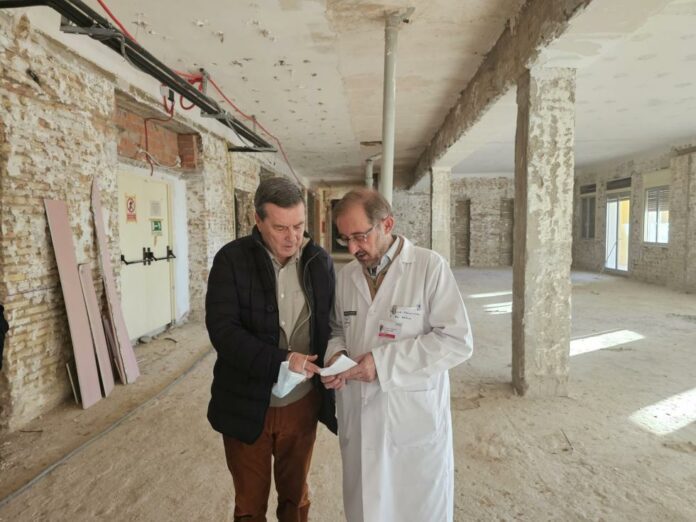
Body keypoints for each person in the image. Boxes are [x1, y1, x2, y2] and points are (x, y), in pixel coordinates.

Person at [321, 188, 473, 522]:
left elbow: (456, 340)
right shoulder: (346, 276)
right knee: (365, 508)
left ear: (387, 224)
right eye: (345, 239)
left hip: (411, 419)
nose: (352, 249)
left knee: (414, 509)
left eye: (360, 236)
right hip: (359, 412)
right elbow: (336, 328)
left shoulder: (429, 267)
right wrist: (336, 354)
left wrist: (381, 363)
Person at [206, 177, 337, 522]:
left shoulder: (318, 261)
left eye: (298, 226)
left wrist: (337, 358)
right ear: (258, 220)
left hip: (301, 403)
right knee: (249, 506)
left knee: (296, 498)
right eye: (280, 228)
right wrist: (283, 359)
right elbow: (223, 332)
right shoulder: (231, 260)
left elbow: (331, 325)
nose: (292, 237)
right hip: (246, 402)